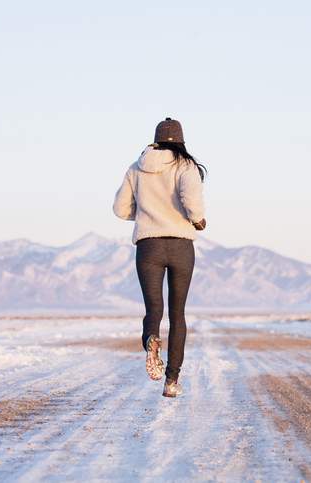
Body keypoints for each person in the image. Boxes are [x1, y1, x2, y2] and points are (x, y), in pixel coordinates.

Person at [113, 117, 207, 398]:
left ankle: (151, 339)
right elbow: (192, 202)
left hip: (149, 246)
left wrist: (144, 215)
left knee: (154, 309)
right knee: (178, 315)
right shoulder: (185, 166)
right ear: (180, 139)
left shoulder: (136, 168)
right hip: (180, 246)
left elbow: (120, 209)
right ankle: (172, 381)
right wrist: (198, 220)